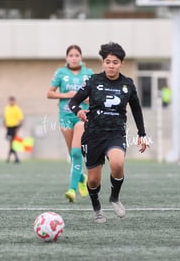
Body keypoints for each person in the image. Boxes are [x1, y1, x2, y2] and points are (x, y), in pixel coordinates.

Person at [68, 42, 148, 223]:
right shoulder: (93, 81)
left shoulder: (128, 84)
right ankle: (97, 208)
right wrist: (78, 111)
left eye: (115, 62)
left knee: (118, 164)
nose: (111, 66)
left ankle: (114, 197)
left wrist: (142, 134)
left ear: (121, 64)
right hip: (93, 135)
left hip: (115, 134)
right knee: (94, 181)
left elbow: (136, 109)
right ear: (103, 62)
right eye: (108, 62)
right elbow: (73, 102)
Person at [47, 44, 93, 203]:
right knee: (73, 156)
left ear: (81, 57)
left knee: (75, 153)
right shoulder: (61, 73)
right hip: (65, 117)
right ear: (67, 58)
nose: (74, 58)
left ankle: (72, 190)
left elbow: (96, 96)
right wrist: (67, 94)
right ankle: (82, 178)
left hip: (82, 117)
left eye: (76, 55)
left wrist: (85, 99)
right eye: (71, 55)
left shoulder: (89, 73)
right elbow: (49, 93)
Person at [3, 96, 24, 163]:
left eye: (12, 101)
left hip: (15, 127)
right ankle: (15, 158)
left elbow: (21, 119)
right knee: (11, 143)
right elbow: (5, 118)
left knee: (13, 143)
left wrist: (18, 128)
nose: (11, 102)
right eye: (10, 101)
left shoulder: (17, 109)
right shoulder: (6, 108)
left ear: (14, 101)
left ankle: (11, 158)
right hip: (8, 128)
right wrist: (4, 125)